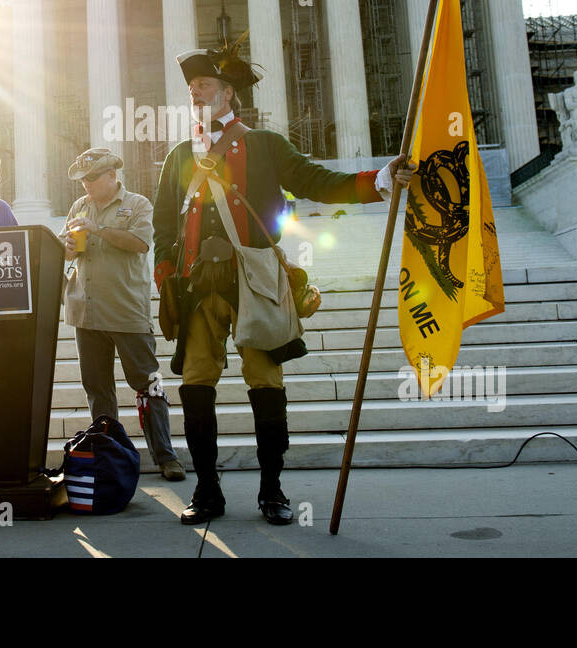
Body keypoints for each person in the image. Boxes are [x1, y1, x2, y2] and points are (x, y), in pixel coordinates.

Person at [153, 42, 414, 526]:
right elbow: (163, 223)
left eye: (204, 86)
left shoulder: (266, 145)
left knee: (266, 387)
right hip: (196, 288)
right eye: (192, 89)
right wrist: (167, 273)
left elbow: (315, 181)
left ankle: (271, 490)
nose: (196, 94)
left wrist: (379, 179)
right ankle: (207, 491)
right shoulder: (178, 156)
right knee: (194, 389)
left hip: (256, 281)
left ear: (227, 95)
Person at [60, 147, 185, 482]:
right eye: (82, 179)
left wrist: (97, 229)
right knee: (97, 388)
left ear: (112, 175)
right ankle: (107, 456)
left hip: (126, 310)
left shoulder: (137, 205)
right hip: (86, 312)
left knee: (149, 383)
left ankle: (166, 455)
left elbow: (141, 243)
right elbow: (69, 251)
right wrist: (67, 247)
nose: (86, 184)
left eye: (91, 178)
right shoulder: (79, 206)